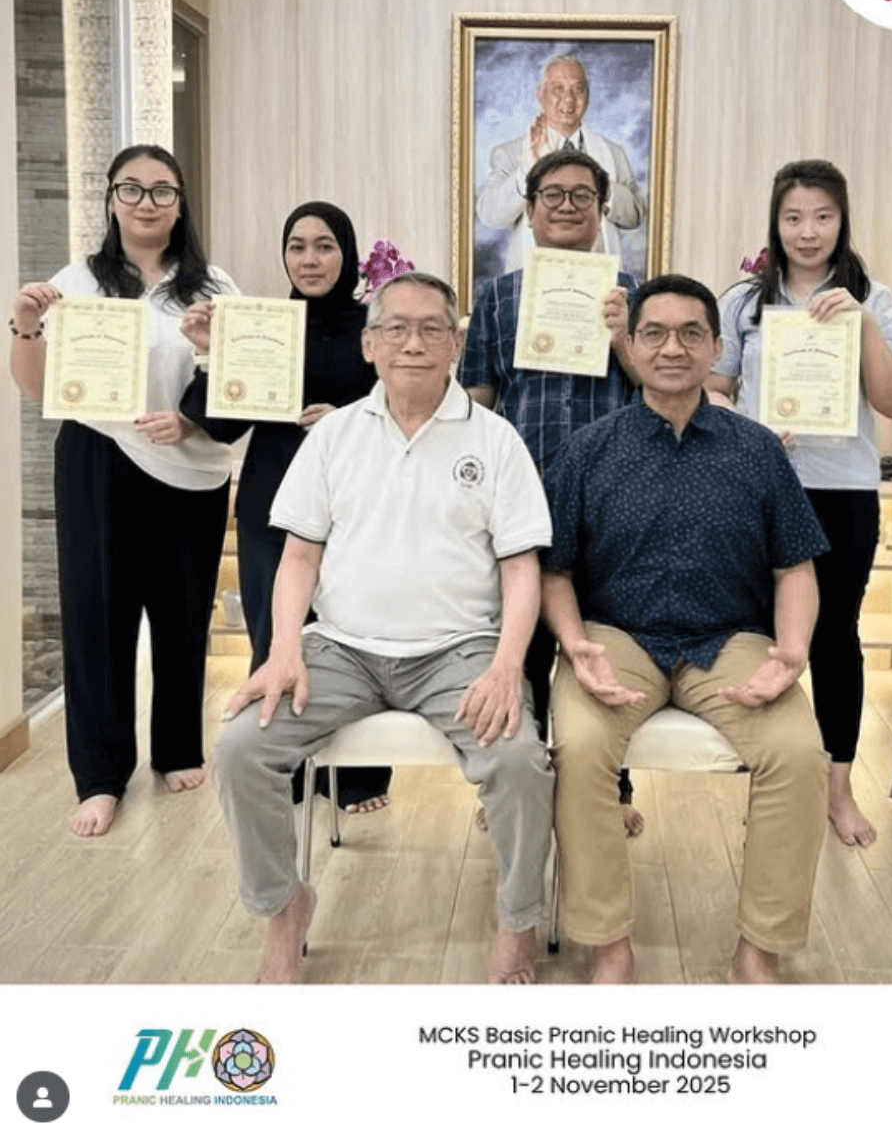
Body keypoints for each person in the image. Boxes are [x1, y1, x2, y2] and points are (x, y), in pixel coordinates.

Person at [214, 272, 554, 984]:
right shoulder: (333, 436)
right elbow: (299, 556)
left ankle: (518, 920)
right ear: (370, 344)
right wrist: (283, 649)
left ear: (457, 344)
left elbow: (522, 567)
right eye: (395, 328)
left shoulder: (497, 441)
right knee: (243, 748)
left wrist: (506, 667)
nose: (413, 343)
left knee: (520, 761)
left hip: (460, 650)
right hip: (343, 647)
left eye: (432, 329)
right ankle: (284, 909)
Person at [542, 273, 830, 984]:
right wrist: (574, 644)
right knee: (579, 747)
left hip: (728, 641)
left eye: (690, 333)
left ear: (716, 347)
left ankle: (759, 948)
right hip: (615, 638)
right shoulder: (587, 450)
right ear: (631, 345)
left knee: (799, 754)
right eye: (655, 334)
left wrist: (792, 650)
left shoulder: (757, 450)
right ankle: (607, 942)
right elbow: (553, 570)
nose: (672, 348)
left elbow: (796, 565)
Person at [9, 145, 237, 838]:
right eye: (131, 189)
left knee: (183, 614)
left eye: (162, 191)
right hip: (98, 458)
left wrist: (191, 410)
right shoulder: (75, 282)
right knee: (97, 619)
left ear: (180, 203)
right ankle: (101, 775)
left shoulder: (214, 286)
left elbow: (240, 387)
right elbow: (37, 387)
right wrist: (26, 321)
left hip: (189, 466)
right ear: (111, 199)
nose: (146, 202)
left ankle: (177, 748)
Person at [712, 160, 892, 847]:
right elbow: (713, 390)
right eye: (793, 217)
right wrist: (748, 429)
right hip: (759, 490)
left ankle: (836, 791)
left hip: (842, 490)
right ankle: (769, 786)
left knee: (833, 639)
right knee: (758, 639)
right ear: (776, 222)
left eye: (822, 216)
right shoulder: (745, 302)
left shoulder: (873, 298)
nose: (807, 231)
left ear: (842, 220)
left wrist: (865, 327)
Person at [179, 200, 390, 813]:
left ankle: (358, 777)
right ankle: (285, 770)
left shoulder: (375, 326)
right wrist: (212, 353)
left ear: (348, 253)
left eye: (324, 246)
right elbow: (222, 425)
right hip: (272, 504)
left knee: (356, 637)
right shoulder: (262, 325)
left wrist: (347, 419)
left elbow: (406, 409)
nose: (310, 259)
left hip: (358, 504)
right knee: (276, 636)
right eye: (297, 246)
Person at [461, 148, 643, 834]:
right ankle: (515, 786)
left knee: (604, 639)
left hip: (610, 494)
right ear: (530, 211)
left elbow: (657, 385)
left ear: (601, 212)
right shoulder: (498, 296)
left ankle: (611, 787)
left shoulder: (633, 294)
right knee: (525, 644)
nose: (567, 207)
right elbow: (478, 398)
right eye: (553, 195)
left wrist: (624, 336)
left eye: (582, 196)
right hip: (522, 494)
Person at [477, 54, 646, 273]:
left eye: (578, 89)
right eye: (558, 89)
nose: (569, 99)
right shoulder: (509, 153)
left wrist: (599, 185)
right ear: (540, 95)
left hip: (596, 276)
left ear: (587, 97)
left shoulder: (614, 154)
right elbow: (490, 215)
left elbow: (635, 216)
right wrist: (528, 168)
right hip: (535, 277)